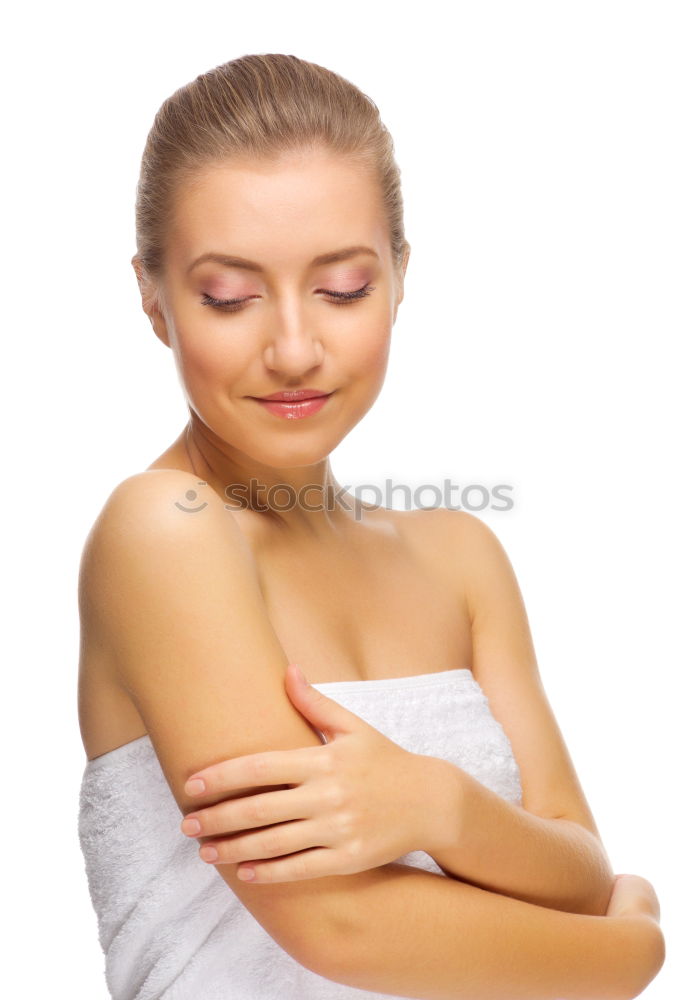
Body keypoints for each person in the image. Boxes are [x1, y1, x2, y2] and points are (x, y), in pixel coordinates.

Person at [77, 52, 665, 999]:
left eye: (342, 287)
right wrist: (630, 955)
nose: (294, 349)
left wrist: (437, 803)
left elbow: (580, 871)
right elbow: (338, 923)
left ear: (398, 273)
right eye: (228, 296)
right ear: (152, 296)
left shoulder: (459, 556)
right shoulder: (165, 531)